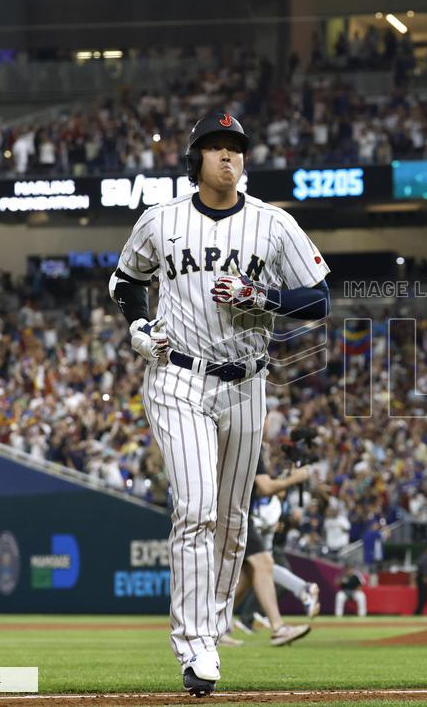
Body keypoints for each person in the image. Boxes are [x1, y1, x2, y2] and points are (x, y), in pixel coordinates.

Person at [108, 112, 330, 696]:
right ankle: (196, 644)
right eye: (216, 148)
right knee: (197, 506)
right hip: (178, 376)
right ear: (196, 160)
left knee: (233, 521)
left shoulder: (272, 224)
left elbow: (319, 299)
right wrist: (138, 325)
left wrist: (263, 295)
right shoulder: (163, 220)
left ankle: (212, 627)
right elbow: (126, 281)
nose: (228, 157)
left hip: (247, 383)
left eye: (236, 149)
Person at [232, 460, 316, 647]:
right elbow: (266, 487)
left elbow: (261, 489)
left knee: (246, 578)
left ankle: (213, 627)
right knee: (264, 563)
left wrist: (286, 479)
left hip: (235, 511)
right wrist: (295, 478)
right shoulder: (251, 437)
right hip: (236, 513)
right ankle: (279, 627)